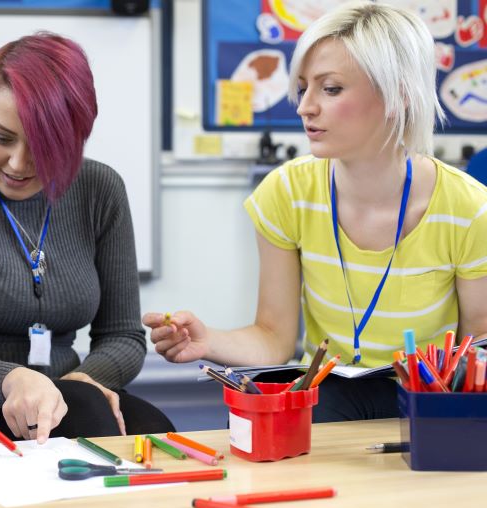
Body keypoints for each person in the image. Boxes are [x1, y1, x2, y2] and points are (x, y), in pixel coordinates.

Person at [145, 2, 487, 422]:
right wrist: (207, 339)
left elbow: (477, 347)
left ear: (398, 96)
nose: (305, 106)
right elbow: (274, 339)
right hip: (329, 392)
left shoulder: (469, 209)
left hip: (427, 396)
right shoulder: (286, 193)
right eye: (304, 87)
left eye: (330, 88)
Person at [0, 32, 174, 444]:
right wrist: (15, 380)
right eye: (0, 137)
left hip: (69, 390)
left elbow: (123, 336)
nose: (18, 164)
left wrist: (82, 380)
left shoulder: (100, 188)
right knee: (91, 422)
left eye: (44, 146)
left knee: (155, 433)